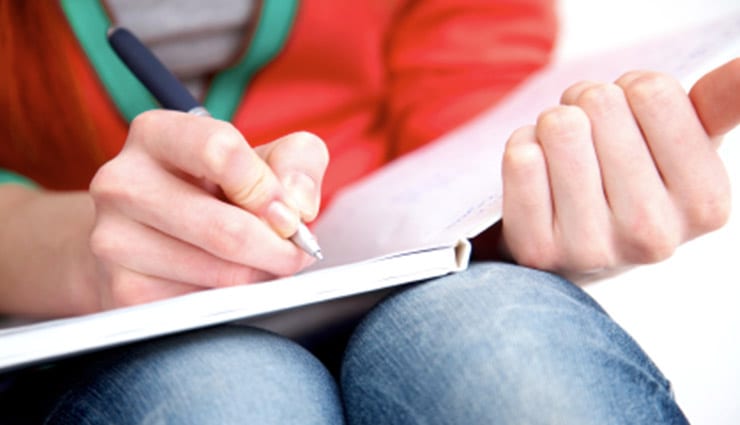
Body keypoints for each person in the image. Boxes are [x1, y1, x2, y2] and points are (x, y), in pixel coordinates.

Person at [0, 0, 737, 423]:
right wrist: (81, 251)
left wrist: (560, 203)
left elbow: (473, 119)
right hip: (73, 317)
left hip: (403, 272)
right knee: (225, 400)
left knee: (512, 358)